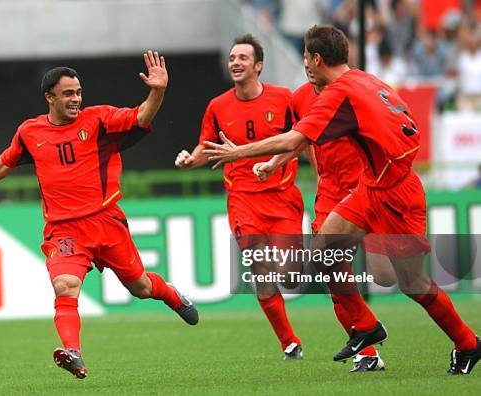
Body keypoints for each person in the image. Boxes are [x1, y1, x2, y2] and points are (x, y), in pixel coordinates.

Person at [203, 25, 480, 375]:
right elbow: (408, 127)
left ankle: (468, 344)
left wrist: (237, 153)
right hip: (370, 187)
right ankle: (365, 327)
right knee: (322, 252)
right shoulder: (367, 81)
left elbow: (291, 140)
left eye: (306, 57)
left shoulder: (339, 93)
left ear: (316, 59)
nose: (305, 64)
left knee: (411, 283)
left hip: (395, 194)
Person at [0, 51, 198, 380]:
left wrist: (158, 91)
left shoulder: (98, 120)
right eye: (68, 93)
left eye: (78, 92)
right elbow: (5, 162)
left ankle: (171, 294)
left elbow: (140, 117)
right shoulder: (30, 132)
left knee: (140, 287)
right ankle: (73, 352)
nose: (76, 99)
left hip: (106, 221)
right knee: (65, 285)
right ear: (49, 97)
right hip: (64, 229)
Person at [253, 63, 397, 372]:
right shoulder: (300, 98)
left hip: (367, 187)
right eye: (304, 58)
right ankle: (368, 353)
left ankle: (457, 337)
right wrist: (275, 163)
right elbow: (299, 139)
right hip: (330, 195)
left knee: (386, 275)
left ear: (324, 60)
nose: (307, 65)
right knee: (333, 276)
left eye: (312, 58)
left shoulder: (355, 90)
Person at [175, 34, 304, 360]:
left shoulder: (285, 99)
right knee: (262, 274)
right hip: (243, 201)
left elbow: (303, 139)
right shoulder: (218, 106)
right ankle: (289, 342)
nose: (235, 62)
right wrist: (192, 160)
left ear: (258, 66)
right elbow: (207, 147)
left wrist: (279, 164)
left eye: (243, 58)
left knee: (289, 275)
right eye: (232, 57)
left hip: (282, 197)